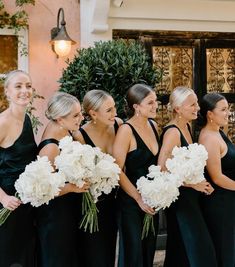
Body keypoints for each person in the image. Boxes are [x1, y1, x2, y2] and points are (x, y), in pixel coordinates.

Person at [157, 86, 217, 267]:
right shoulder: (173, 132)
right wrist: (192, 185)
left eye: (197, 103)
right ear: (177, 109)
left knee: (183, 250)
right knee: (197, 248)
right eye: (192, 104)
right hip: (181, 202)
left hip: (191, 199)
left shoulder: (186, 128)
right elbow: (161, 169)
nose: (197, 108)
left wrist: (201, 182)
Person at [36, 92, 90, 267]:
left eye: (80, 113)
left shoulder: (68, 133)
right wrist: (71, 187)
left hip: (69, 210)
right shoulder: (50, 148)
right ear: (60, 119)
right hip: (56, 217)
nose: (81, 118)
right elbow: (42, 190)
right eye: (76, 115)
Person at [73, 89, 122, 267]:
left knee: (112, 251)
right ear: (93, 113)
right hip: (94, 202)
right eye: (108, 110)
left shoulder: (118, 125)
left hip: (118, 197)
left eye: (114, 107)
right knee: (95, 252)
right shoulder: (80, 136)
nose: (114, 113)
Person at [112, 83, 159, 267]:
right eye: (150, 102)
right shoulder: (126, 130)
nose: (155, 105)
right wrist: (139, 198)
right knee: (133, 254)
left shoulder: (154, 126)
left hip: (153, 199)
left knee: (149, 250)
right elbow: (117, 170)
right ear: (136, 107)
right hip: (131, 203)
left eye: (155, 101)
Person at [0, 70, 38, 267]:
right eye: (18, 86)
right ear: (7, 92)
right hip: (7, 203)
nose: (25, 90)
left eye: (28, 86)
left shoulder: (27, 119)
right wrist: (3, 198)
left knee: (25, 257)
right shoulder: (2, 123)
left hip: (26, 200)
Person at [198, 93, 235, 267]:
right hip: (220, 202)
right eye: (223, 109)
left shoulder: (218, 132)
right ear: (210, 114)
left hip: (228, 199)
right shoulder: (209, 138)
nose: (228, 112)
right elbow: (217, 177)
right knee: (224, 248)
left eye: (228, 108)